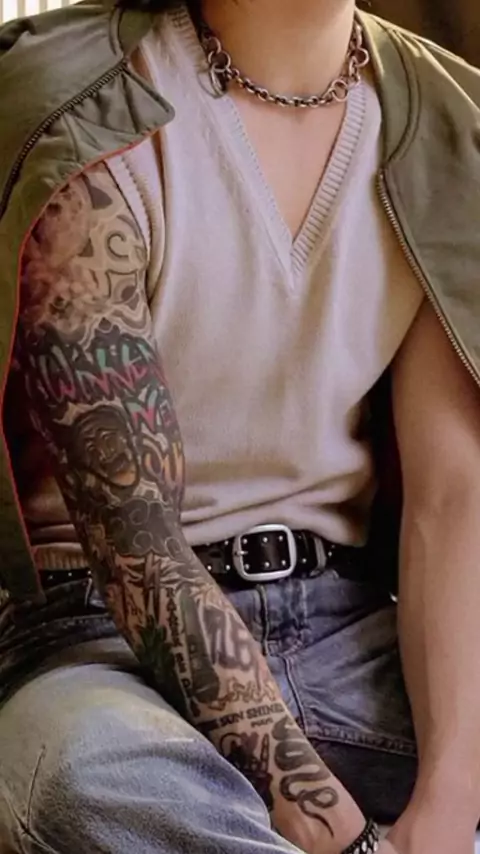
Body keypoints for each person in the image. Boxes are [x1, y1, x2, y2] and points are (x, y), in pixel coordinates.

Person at [0, 0, 479, 852]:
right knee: (88, 781)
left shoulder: (448, 124)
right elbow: (138, 549)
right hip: (102, 640)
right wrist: (346, 839)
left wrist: (446, 806)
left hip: (350, 624)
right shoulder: (76, 103)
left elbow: (450, 499)